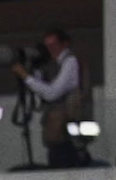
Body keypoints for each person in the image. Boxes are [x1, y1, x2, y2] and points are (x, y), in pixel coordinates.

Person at [13, 28, 89, 168]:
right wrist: (34, 71)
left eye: (53, 45)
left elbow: (51, 93)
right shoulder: (53, 66)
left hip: (68, 137)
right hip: (57, 136)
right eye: (47, 46)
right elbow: (41, 97)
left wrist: (26, 77)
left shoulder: (70, 62)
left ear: (65, 44)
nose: (50, 50)